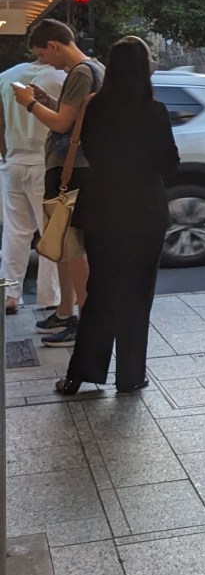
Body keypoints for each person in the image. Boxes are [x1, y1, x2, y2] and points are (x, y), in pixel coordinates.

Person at [49, 36, 178, 395]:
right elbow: (170, 164)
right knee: (137, 297)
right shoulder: (154, 112)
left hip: (102, 211)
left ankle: (80, 374)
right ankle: (130, 376)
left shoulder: (94, 108)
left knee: (100, 291)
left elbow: (88, 151)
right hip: (145, 214)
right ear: (144, 68)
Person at [14, 19, 105, 347]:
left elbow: (63, 123)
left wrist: (30, 104)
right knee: (64, 247)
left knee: (72, 247)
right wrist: (46, 101)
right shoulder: (93, 69)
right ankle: (67, 311)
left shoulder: (81, 72)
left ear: (54, 45)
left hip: (72, 168)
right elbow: (74, 118)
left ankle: (81, 318)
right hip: (78, 166)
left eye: (43, 54)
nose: (44, 61)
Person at [0, 56, 66, 313]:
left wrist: (6, 153)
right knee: (50, 232)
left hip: (14, 162)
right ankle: (50, 296)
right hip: (44, 162)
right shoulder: (60, 78)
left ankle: (10, 295)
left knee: (15, 232)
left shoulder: (6, 76)